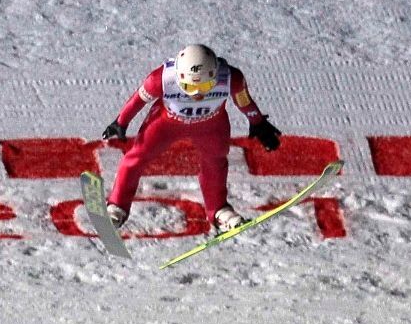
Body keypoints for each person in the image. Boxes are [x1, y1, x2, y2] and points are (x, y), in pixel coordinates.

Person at [102, 44, 281, 235]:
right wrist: (121, 122)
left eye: (205, 86)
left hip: (210, 126)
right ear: (179, 77)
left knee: (215, 162)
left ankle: (219, 211)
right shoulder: (161, 79)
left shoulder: (231, 78)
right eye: (188, 87)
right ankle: (117, 205)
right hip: (166, 124)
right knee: (137, 156)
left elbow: (244, 101)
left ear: (215, 75)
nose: (197, 94)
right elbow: (138, 100)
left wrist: (258, 123)